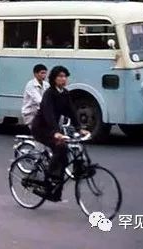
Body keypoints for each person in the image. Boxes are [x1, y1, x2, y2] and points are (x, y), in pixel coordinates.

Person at [31, 66, 89, 202]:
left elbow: (72, 111)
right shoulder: (49, 94)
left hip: (52, 128)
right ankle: (48, 182)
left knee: (67, 154)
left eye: (65, 76)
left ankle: (56, 191)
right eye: (60, 76)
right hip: (41, 128)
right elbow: (48, 114)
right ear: (54, 79)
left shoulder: (65, 93)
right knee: (60, 148)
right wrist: (56, 132)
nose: (63, 79)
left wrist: (79, 128)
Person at [21, 64, 50, 130]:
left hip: (40, 112)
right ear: (35, 74)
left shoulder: (46, 84)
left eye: (45, 73)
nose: (44, 75)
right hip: (30, 114)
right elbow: (39, 100)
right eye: (42, 73)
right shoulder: (30, 85)